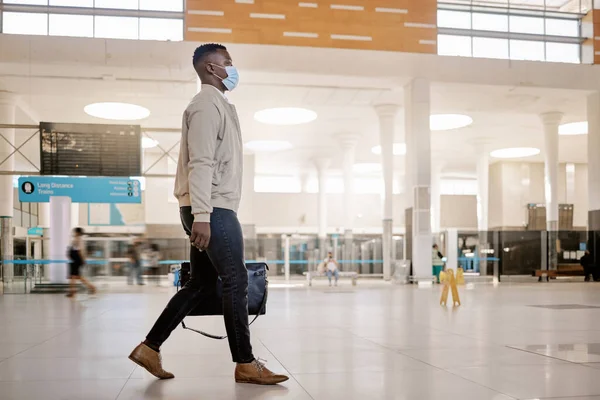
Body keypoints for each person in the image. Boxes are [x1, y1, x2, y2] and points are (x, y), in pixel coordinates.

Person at [128, 43, 288, 385]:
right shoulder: (204, 105)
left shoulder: (220, 105)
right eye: (228, 63)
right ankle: (245, 363)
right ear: (211, 69)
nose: (233, 69)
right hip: (211, 208)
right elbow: (200, 162)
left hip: (209, 206)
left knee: (200, 283)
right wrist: (202, 214)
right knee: (237, 279)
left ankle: (150, 348)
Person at [66, 227, 96, 297]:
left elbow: (80, 251)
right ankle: (91, 288)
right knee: (75, 277)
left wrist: (83, 260)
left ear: (78, 232)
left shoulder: (80, 240)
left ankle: (73, 292)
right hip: (74, 260)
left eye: (75, 232)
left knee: (74, 276)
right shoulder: (75, 239)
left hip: (77, 260)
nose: (74, 233)